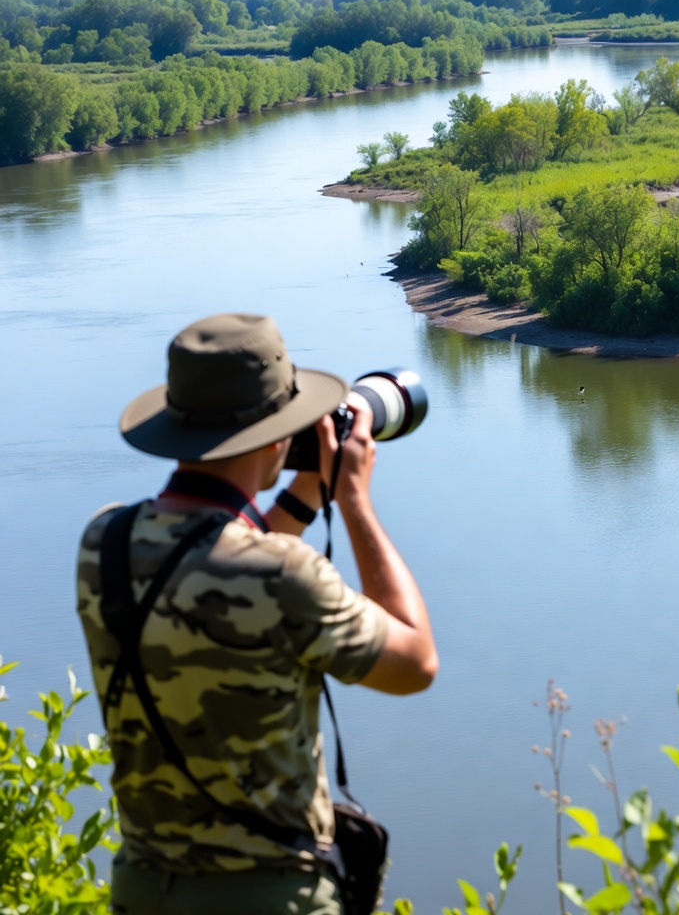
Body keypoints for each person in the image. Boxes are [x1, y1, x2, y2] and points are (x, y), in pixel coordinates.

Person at [76, 313, 438, 915]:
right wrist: (353, 501)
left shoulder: (104, 542)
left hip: (142, 891)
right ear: (277, 435)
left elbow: (212, 561)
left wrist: (303, 495)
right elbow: (415, 664)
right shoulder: (285, 575)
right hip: (272, 896)